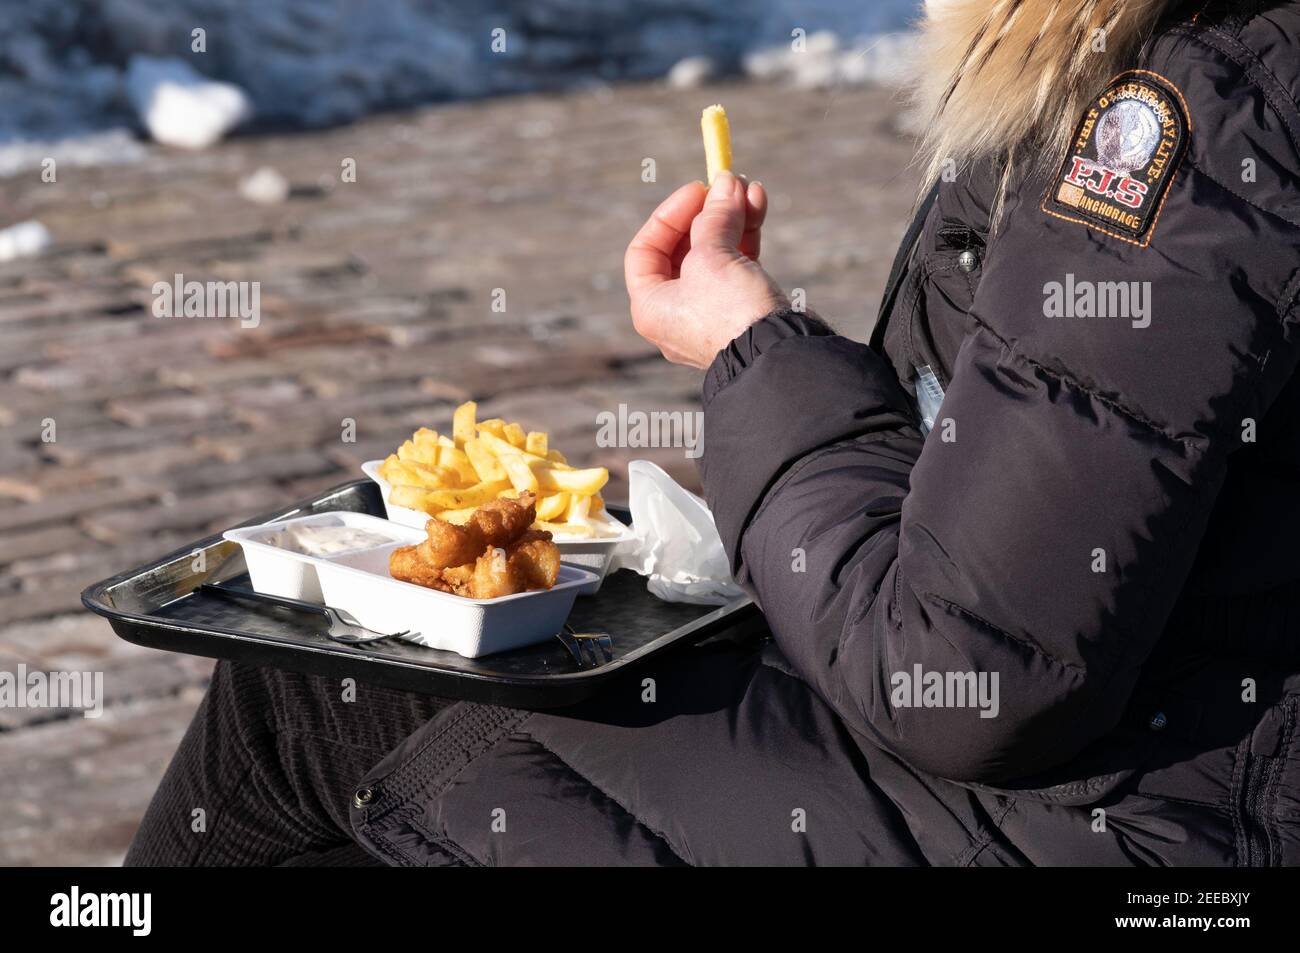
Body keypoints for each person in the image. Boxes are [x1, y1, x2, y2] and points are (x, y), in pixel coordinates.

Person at [128, 0, 1300, 866]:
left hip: (1136, 820)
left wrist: (751, 349)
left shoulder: (1178, 110)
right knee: (359, 655)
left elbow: (967, 677)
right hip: (1117, 751)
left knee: (326, 704)